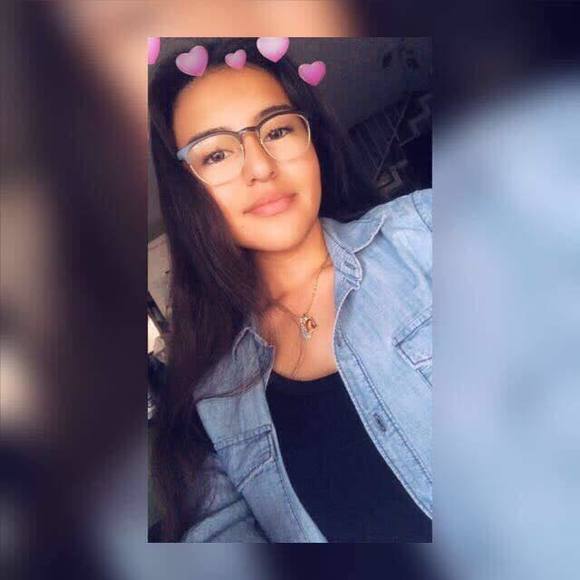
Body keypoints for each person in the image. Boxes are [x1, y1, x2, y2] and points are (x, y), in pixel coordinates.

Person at [148, 37, 432, 543]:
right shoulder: (211, 400)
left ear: (313, 142)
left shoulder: (426, 232)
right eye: (217, 154)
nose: (261, 167)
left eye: (277, 130)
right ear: (186, 191)